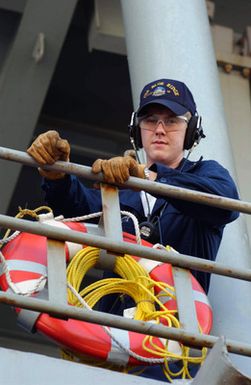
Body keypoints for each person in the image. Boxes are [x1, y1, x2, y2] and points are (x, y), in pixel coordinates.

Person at [27, 78, 239, 381]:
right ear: (136, 130)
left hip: (173, 348)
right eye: (150, 120)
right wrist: (57, 174)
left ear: (191, 131)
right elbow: (81, 211)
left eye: (172, 121)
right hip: (112, 337)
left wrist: (152, 177)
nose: (160, 129)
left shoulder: (206, 175)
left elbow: (225, 203)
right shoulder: (122, 192)